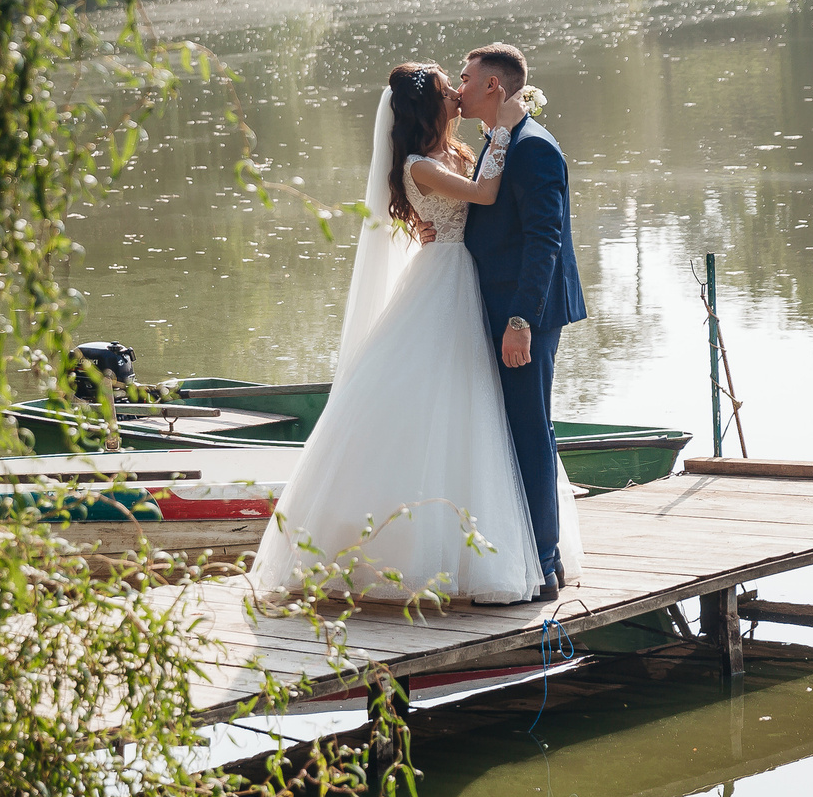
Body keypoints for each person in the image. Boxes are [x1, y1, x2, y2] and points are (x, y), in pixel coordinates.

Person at [251, 62, 583, 605]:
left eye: (461, 82)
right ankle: (447, 551)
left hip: (478, 291)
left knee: (490, 420)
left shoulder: (470, 150)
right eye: (448, 88)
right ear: (428, 107)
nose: (457, 91)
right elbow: (483, 197)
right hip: (447, 288)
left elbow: (503, 216)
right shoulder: (425, 162)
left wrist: (498, 135)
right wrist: (501, 131)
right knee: (445, 413)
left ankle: (533, 556)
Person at [457, 42, 588, 593]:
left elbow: (544, 240)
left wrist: (521, 322)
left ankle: (545, 564)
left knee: (530, 429)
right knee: (512, 428)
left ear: (493, 85)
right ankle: (526, 555)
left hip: (523, 313)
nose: (458, 88)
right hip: (496, 306)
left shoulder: (533, 147)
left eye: (465, 78)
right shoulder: (499, 140)